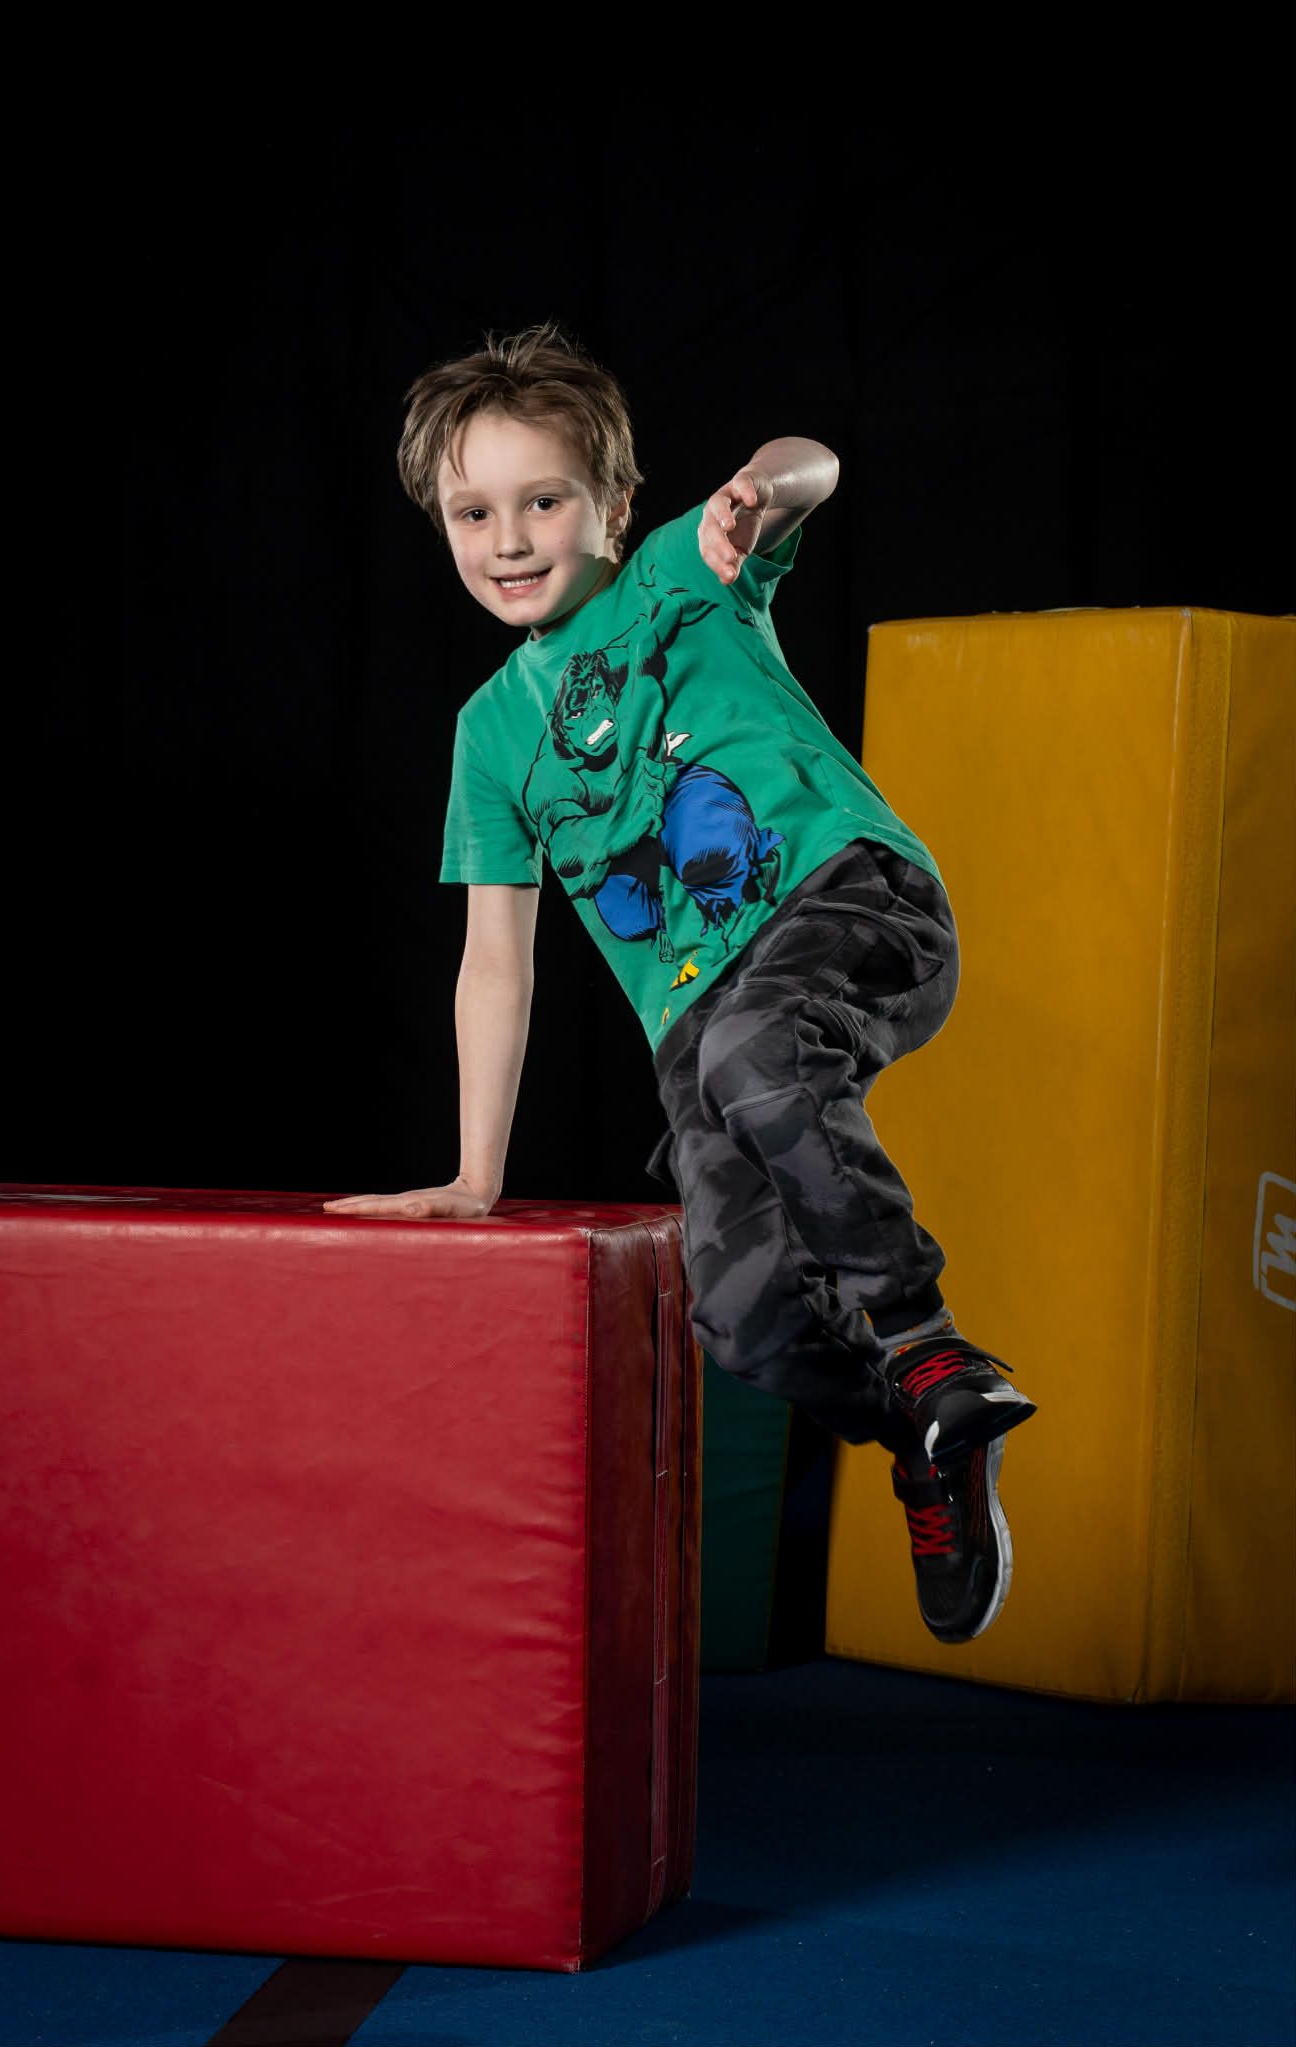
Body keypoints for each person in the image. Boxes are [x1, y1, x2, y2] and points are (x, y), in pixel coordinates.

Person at [324, 323, 1036, 1645]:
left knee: (757, 1052)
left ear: (615, 504)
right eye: (473, 512)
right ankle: (924, 1439)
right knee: (744, 1318)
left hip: (848, 900)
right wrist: (476, 1175)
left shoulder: (678, 579)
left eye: (545, 500)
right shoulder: (489, 734)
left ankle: (929, 1342)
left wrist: (759, 493)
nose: (512, 540)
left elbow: (807, 464)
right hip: (698, 1020)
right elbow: (496, 958)